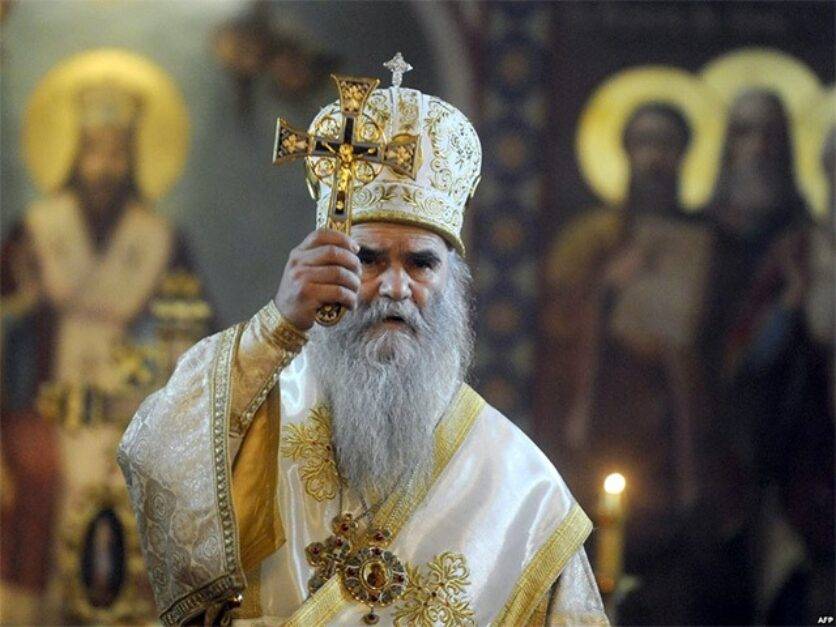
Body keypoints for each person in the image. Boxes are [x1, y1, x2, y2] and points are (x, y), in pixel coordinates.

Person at [118, 67, 608, 626]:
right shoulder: (257, 414)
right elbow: (154, 456)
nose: (395, 287)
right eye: (368, 259)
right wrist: (278, 324)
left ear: (452, 280)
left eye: (421, 263)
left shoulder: (522, 489)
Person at [0, 52, 203, 623]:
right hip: (46, 393)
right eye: (94, 151)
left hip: (127, 400)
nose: (104, 166)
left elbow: (195, 327)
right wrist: (23, 299)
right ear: (75, 154)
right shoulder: (38, 229)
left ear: (131, 158)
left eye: (116, 153)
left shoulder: (159, 238)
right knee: (41, 475)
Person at [539, 101, 714, 624]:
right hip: (600, 427)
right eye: (644, 143)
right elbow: (555, 328)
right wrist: (605, 289)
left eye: (667, 144)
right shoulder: (588, 238)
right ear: (625, 152)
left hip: (671, 438)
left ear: (684, 154)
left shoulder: (704, 246)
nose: (655, 157)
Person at [702, 89, 834, 624]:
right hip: (792, 455)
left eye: (770, 136)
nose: (757, 149)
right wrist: (790, 307)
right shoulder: (795, 251)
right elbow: (744, 358)